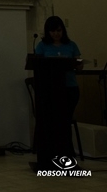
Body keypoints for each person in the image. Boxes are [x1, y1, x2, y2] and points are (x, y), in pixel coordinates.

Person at [34, 15, 83, 160]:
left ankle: (66, 154)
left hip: (69, 88)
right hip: (50, 90)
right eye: (53, 31)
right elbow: (37, 65)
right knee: (51, 122)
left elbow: (79, 62)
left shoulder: (71, 45)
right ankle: (51, 155)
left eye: (59, 30)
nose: (56, 34)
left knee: (65, 122)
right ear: (48, 32)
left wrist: (78, 64)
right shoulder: (42, 46)